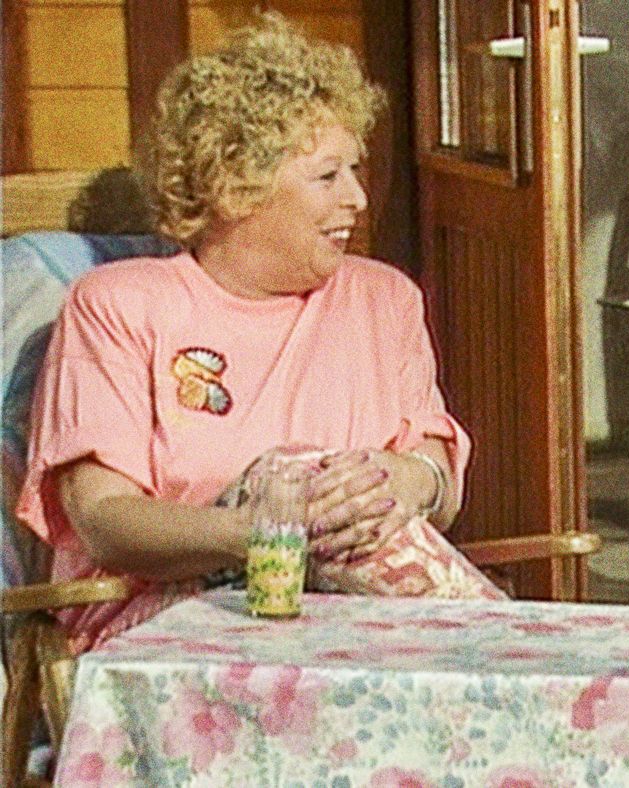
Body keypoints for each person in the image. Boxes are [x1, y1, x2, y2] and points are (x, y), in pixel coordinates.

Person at [16, 14, 495, 655]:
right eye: (327, 176)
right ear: (234, 186)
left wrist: (407, 482)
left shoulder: (385, 300)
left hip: (358, 631)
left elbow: (437, 483)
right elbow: (105, 520)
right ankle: (509, 659)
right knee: (292, 476)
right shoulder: (120, 306)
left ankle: (498, 665)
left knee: (339, 495)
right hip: (170, 625)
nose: (358, 198)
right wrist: (275, 527)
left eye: (356, 170)